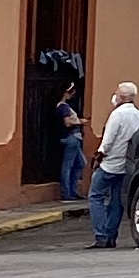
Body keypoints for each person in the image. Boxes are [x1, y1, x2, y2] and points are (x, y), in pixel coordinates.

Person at [89, 82, 139, 249]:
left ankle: (101, 235)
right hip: (126, 163)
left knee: (95, 196)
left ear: (121, 97)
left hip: (110, 162)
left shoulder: (117, 114)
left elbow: (108, 140)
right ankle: (111, 236)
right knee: (116, 201)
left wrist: (99, 156)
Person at [55, 75, 86, 211]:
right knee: (68, 165)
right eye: (71, 92)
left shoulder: (62, 107)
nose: (73, 95)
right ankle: (67, 193)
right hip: (71, 137)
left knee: (80, 163)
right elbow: (67, 123)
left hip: (71, 138)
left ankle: (72, 191)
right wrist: (80, 122)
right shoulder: (64, 107)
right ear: (66, 93)